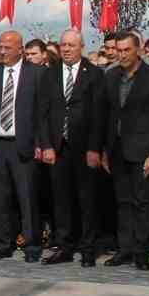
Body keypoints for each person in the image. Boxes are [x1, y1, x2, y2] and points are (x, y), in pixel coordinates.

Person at [0, 30, 51, 262]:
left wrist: (41, 142)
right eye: (0, 47)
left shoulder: (37, 74)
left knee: (27, 197)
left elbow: (42, 113)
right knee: (0, 198)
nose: (2, 51)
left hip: (24, 145)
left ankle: (31, 244)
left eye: (7, 47)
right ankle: (2, 243)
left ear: (20, 49)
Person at [40, 29, 106, 267]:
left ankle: (88, 247)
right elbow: (43, 112)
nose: (66, 49)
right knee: (61, 199)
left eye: (71, 45)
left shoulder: (95, 74)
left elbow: (99, 115)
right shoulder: (51, 74)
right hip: (58, 147)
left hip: (84, 146)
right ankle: (65, 245)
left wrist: (94, 148)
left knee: (87, 199)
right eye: (63, 45)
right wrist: (46, 144)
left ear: (81, 47)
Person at [103, 32, 149, 270]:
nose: (122, 54)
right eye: (118, 50)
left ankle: (141, 251)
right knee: (122, 202)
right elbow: (105, 115)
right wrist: (103, 149)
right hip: (117, 150)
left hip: (142, 151)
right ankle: (124, 249)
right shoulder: (111, 77)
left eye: (127, 50)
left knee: (141, 202)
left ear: (138, 50)